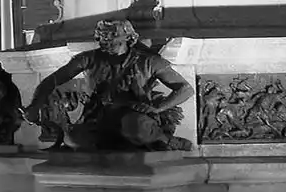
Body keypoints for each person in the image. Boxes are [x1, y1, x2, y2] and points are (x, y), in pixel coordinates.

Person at [25, 18, 195, 151]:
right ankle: (117, 143)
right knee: (73, 139)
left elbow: (185, 89)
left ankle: (166, 140)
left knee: (134, 128)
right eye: (103, 41)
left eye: (114, 41)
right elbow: (51, 81)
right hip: (98, 118)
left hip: (134, 116)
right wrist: (34, 106)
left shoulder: (148, 61)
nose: (107, 45)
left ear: (129, 38)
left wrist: (158, 108)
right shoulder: (88, 59)